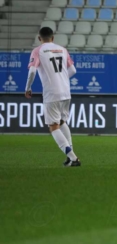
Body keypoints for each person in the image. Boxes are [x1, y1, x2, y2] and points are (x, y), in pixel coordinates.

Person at [25, 27, 81, 167]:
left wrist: (28, 88)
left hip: (52, 93)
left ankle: (73, 158)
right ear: (53, 37)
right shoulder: (62, 49)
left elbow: (32, 71)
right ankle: (70, 157)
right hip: (66, 92)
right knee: (62, 122)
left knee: (53, 127)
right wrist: (62, 79)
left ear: (39, 38)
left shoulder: (38, 51)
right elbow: (73, 70)